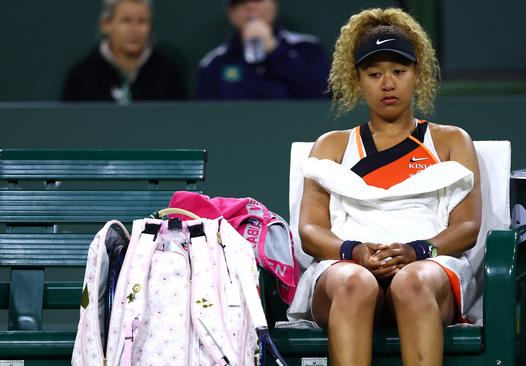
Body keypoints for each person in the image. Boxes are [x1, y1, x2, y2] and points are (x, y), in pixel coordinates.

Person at [288, 7, 482, 366]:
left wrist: (418, 251)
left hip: (426, 266)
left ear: (417, 74)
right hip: (347, 267)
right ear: (357, 80)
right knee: (354, 282)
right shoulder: (331, 145)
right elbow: (311, 229)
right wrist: (354, 252)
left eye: (398, 71)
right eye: (374, 73)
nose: (388, 83)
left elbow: (467, 226)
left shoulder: (452, 140)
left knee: (413, 281)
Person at [195, 0, 329, 100]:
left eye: (257, 0)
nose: (250, 6)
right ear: (230, 13)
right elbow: (206, 116)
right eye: (239, 2)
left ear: (274, 4)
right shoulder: (214, 63)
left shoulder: (307, 48)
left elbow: (323, 95)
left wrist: (275, 51)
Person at [62, 0, 186, 103]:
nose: (134, 30)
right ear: (106, 25)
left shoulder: (168, 74)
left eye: (142, 21)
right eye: (126, 20)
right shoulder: (81, 76)